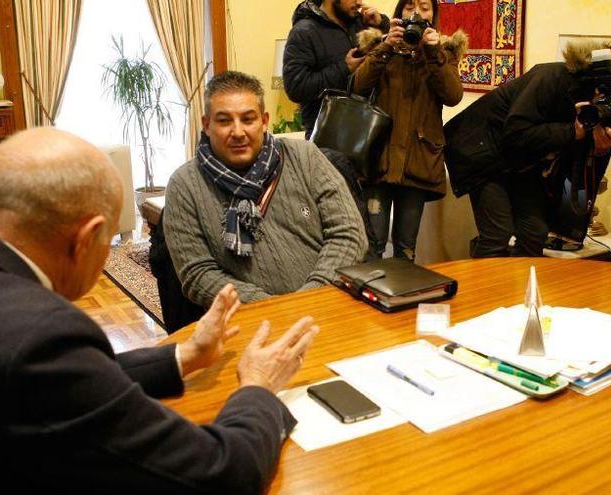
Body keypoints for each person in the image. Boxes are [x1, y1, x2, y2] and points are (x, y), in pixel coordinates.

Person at [0, 127, 319, 493]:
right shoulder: (40, 338)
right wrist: (258, 388)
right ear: (86, 238)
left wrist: (186, 356)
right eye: (108, 240)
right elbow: (223, 474)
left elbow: (51, 388)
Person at [163, 71, 367, 306]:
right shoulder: (184, 185)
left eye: (248, 119)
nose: (238, 132)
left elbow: (349, 235)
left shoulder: (306, 158)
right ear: (207, 125)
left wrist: (310, 298)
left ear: (264, 121)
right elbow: (197, 274)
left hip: (327, 305)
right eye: (224, 121)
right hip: (249, 322)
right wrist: (272, 309)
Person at [443, 43, 611, 257]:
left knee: (535, 232)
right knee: (497, 233)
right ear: (604, 83)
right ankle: (484, 289)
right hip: (482, 151)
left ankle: (520, 286)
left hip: (520, 161)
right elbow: (515, 133)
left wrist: (598, 151)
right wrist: (572, 132)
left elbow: (579, 180)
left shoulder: (596, 114)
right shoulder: (551, 78)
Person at [352, 0, 464, 261]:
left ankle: (403, 299)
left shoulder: (444, 52)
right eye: (410, 5)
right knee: (372, 244)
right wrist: (385, 47)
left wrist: (434, 53)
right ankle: (370, 297)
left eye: (424, 7)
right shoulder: (381, 44)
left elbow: (453, 95)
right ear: (399, 12)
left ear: (434, 14)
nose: (416, 13)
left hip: (418, 161)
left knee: (406, 246)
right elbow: (357, 86)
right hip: (379, 159)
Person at [283, 0, 390, 138]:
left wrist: (382, 24)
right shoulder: (304, 32)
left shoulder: (362, 23)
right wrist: (344, 68)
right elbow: (296, 88)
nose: (359, 2)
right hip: (328, 139)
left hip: (369, 131)